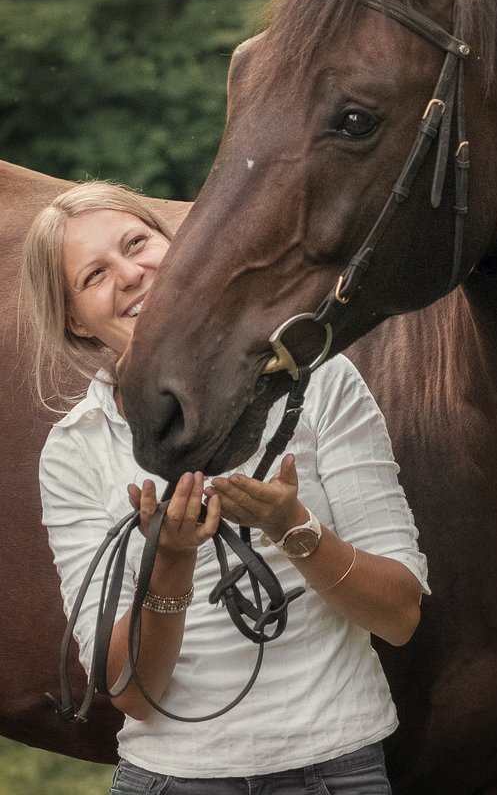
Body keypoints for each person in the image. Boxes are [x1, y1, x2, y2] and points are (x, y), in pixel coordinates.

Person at [22, 181, 429, 795]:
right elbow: (131, 694)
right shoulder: (75, 449)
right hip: (172, 779)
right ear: (77, 324)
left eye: (138, 243)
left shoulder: (320, 384)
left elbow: (399, 617)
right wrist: (172, 564)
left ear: (180, 250)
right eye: (94, 275)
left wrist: (294, 528)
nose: (130, 273)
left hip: (336, 770)